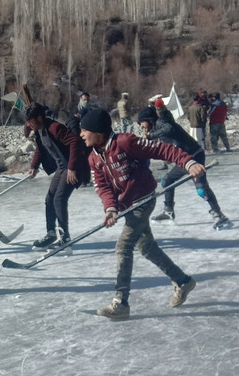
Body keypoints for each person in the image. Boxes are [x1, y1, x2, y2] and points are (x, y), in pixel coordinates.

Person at [78, 108, 204, 320]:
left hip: (143, 201)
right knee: (146, 247)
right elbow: (102, 187)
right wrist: (110, 208)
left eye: (85, 130)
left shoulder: (125, 142)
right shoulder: (94, 158)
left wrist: (188, 162)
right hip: (127, 206)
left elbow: (163, 149)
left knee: (123, 247)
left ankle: (121, 301)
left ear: (98, 132)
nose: (81, 134)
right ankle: (182, 281)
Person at [138, 106, 232, 229]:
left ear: (150, 120)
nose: (141, 126)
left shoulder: (162, 122)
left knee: (201, 189)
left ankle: (219, 215)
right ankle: (168, 211)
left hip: (195, 156)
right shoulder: (156, 128)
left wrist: (150, 136)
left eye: (141, 122)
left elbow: (169, 128)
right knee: (167, 181)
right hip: (184, 160)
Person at [25, 104, 87, 252]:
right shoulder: (40, 130)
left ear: (39, 118)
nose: (28, 124)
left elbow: (75, 142)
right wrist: (34, 166)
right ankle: (51, 234)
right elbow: (40, 148)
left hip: (73, 166)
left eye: (30, 121)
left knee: (59, 199)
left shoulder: (55, 128)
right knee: (49, 199)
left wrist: (72, 168)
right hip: (62, 168)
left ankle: (65, 239)